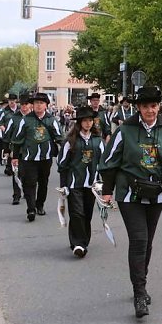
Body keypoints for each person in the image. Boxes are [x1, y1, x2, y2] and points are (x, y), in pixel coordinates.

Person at [98, 86, 162, 319]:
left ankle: (141, 281)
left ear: (158, 107)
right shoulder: (126, 130)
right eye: (145, 106)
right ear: (138, 108)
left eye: (153, 106)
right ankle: (139, 293)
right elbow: (109, 160)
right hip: (129, 193)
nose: (150, 110)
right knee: (139, 239)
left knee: (148, 241)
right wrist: (108, 190)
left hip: (157, 193)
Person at [57, 105, 105, 257]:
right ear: (79, 122)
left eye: (90, 120)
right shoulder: (70, 141)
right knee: (77, 213)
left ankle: (83, 241)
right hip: (74, 184)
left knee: (87, 214)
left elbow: (105, 163)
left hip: (92, 185)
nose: (88, 123)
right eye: (84, 120)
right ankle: (78, 244)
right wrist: (63, 185)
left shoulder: (98, 141)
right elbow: (62, 164)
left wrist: (105, 184)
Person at [11, 93, 63, 222]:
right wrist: (15, 156)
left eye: (41, 103)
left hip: (46, 158)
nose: (38, 105)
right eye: (36, 103)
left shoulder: (51, 120)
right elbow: (17, 139)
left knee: (43, 182)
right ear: (32, 105)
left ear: (46, 105)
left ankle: (40, 205)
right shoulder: (26, 120)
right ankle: (31, 209)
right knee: (30, 182)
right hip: (29, 158)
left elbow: (60, 138)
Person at [2, 94, 32, 205]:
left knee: (29, 174)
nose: (24, 106)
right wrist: (7, 151)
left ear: (30, 105)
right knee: (17, 173)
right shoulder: (14, 118)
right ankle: (16, 195)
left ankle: (28, 193)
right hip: (16, 150)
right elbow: (7, 135)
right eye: (22, 104)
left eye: (26, 104)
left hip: (30, 151)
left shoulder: (33, 118)